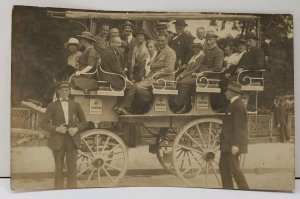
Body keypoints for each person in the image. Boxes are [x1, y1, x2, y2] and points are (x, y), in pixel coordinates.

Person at [41, 81, 88, 189]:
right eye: (62, 90)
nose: (64, 92)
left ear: (70, 91)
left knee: (72, 167)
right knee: (59, 167)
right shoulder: (52, 106)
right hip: (57, 140)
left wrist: (76, 129)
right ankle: (59, 191)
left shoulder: (75, 105)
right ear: (58, 92)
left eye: (66, 90)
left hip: (72, 140)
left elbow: (84, 122)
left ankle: (72, 191)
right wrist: (56, 128)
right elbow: (43, 123)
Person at [219, 81, 249, 190]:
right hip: (226, 145)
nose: (225, 92)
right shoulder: (233, 104)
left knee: (235, 170)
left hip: (232, 145)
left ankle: (246, 192)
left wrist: (236, 145)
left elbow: (238, 127)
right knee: (223, 169)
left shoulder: (238, 106)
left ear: (233, 92)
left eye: (227, 90)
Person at [136, 34, 176, 107]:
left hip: (164, 79)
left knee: (139, 87)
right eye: (159, 41)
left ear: (166, 41)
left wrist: (156, 74)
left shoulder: (170, 52)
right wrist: (148, 76)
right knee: (136, 85)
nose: (160, 43)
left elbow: (169, 68)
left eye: (162, 41)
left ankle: (151, 102)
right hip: (154, 77)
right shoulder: (159, 51)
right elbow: (153, 67)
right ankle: (147, 106)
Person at [99, 36, 136, 115]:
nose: (119, 45)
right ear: (111, 43)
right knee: (133, 87)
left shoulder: (109, 51)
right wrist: (125, 78)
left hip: (110, 76)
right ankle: (123, 107)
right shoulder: (109, 52)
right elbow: (116, 68)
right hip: (110, 78)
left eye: (120, 43)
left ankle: (118, 106)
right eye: (117, 43)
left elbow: (116, 68)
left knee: (128, 85)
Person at [173, 39, 205, 113]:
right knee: (178, 81)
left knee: (182, 82)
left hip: (196, 75)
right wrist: (180, 75)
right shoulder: (193, 57)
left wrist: (183, 75)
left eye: (197, 47)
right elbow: (187, 68)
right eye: (194, 47)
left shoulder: (202, 56)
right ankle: (184, 105)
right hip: (190, 75)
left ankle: (181, 105)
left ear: (200, 48)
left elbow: (195, 70)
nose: (195, 49)